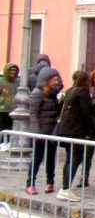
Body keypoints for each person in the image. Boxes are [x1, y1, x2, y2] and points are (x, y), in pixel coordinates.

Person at [53, 71, 95, 202]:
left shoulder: (70, 90)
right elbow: (86, 113)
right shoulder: (83, 92)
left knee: (70, 159)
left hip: (66, 129)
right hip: (76, 131)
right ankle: (65, 188)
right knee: (75, 158)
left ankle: (64, 188)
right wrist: (93, 128)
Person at [25, 66, 62, 195]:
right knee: (37, 158)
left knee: (51, 158)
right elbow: (33, 115)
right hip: (40, 132)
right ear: (46, 80)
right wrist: (36, 133)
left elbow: (55, 113)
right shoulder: (36, 94)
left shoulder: (52, 95)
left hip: (51, 131)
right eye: (54, 79)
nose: (57, 82)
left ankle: (50, 182)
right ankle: (30, 183)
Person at [0, 63, 20, 132]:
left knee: (11, 130)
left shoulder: (18, 82)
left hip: (14, 111)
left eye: (14, 70)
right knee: (2, 130)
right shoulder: (1, 81)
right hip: (2, 110)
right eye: (11, 70)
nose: (13, 72)